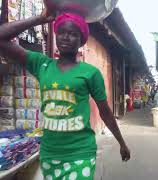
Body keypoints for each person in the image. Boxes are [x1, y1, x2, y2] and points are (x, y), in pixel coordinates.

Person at [0, 9, 130, 179]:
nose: (66, 37)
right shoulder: (41, 64)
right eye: (61, 32)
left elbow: (105, 112)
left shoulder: (90, 73)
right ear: (56, 35)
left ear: (81, 40)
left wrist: (121, 142)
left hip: (80, 153)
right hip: (49, 153)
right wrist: (40, 18)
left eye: (72, 34)